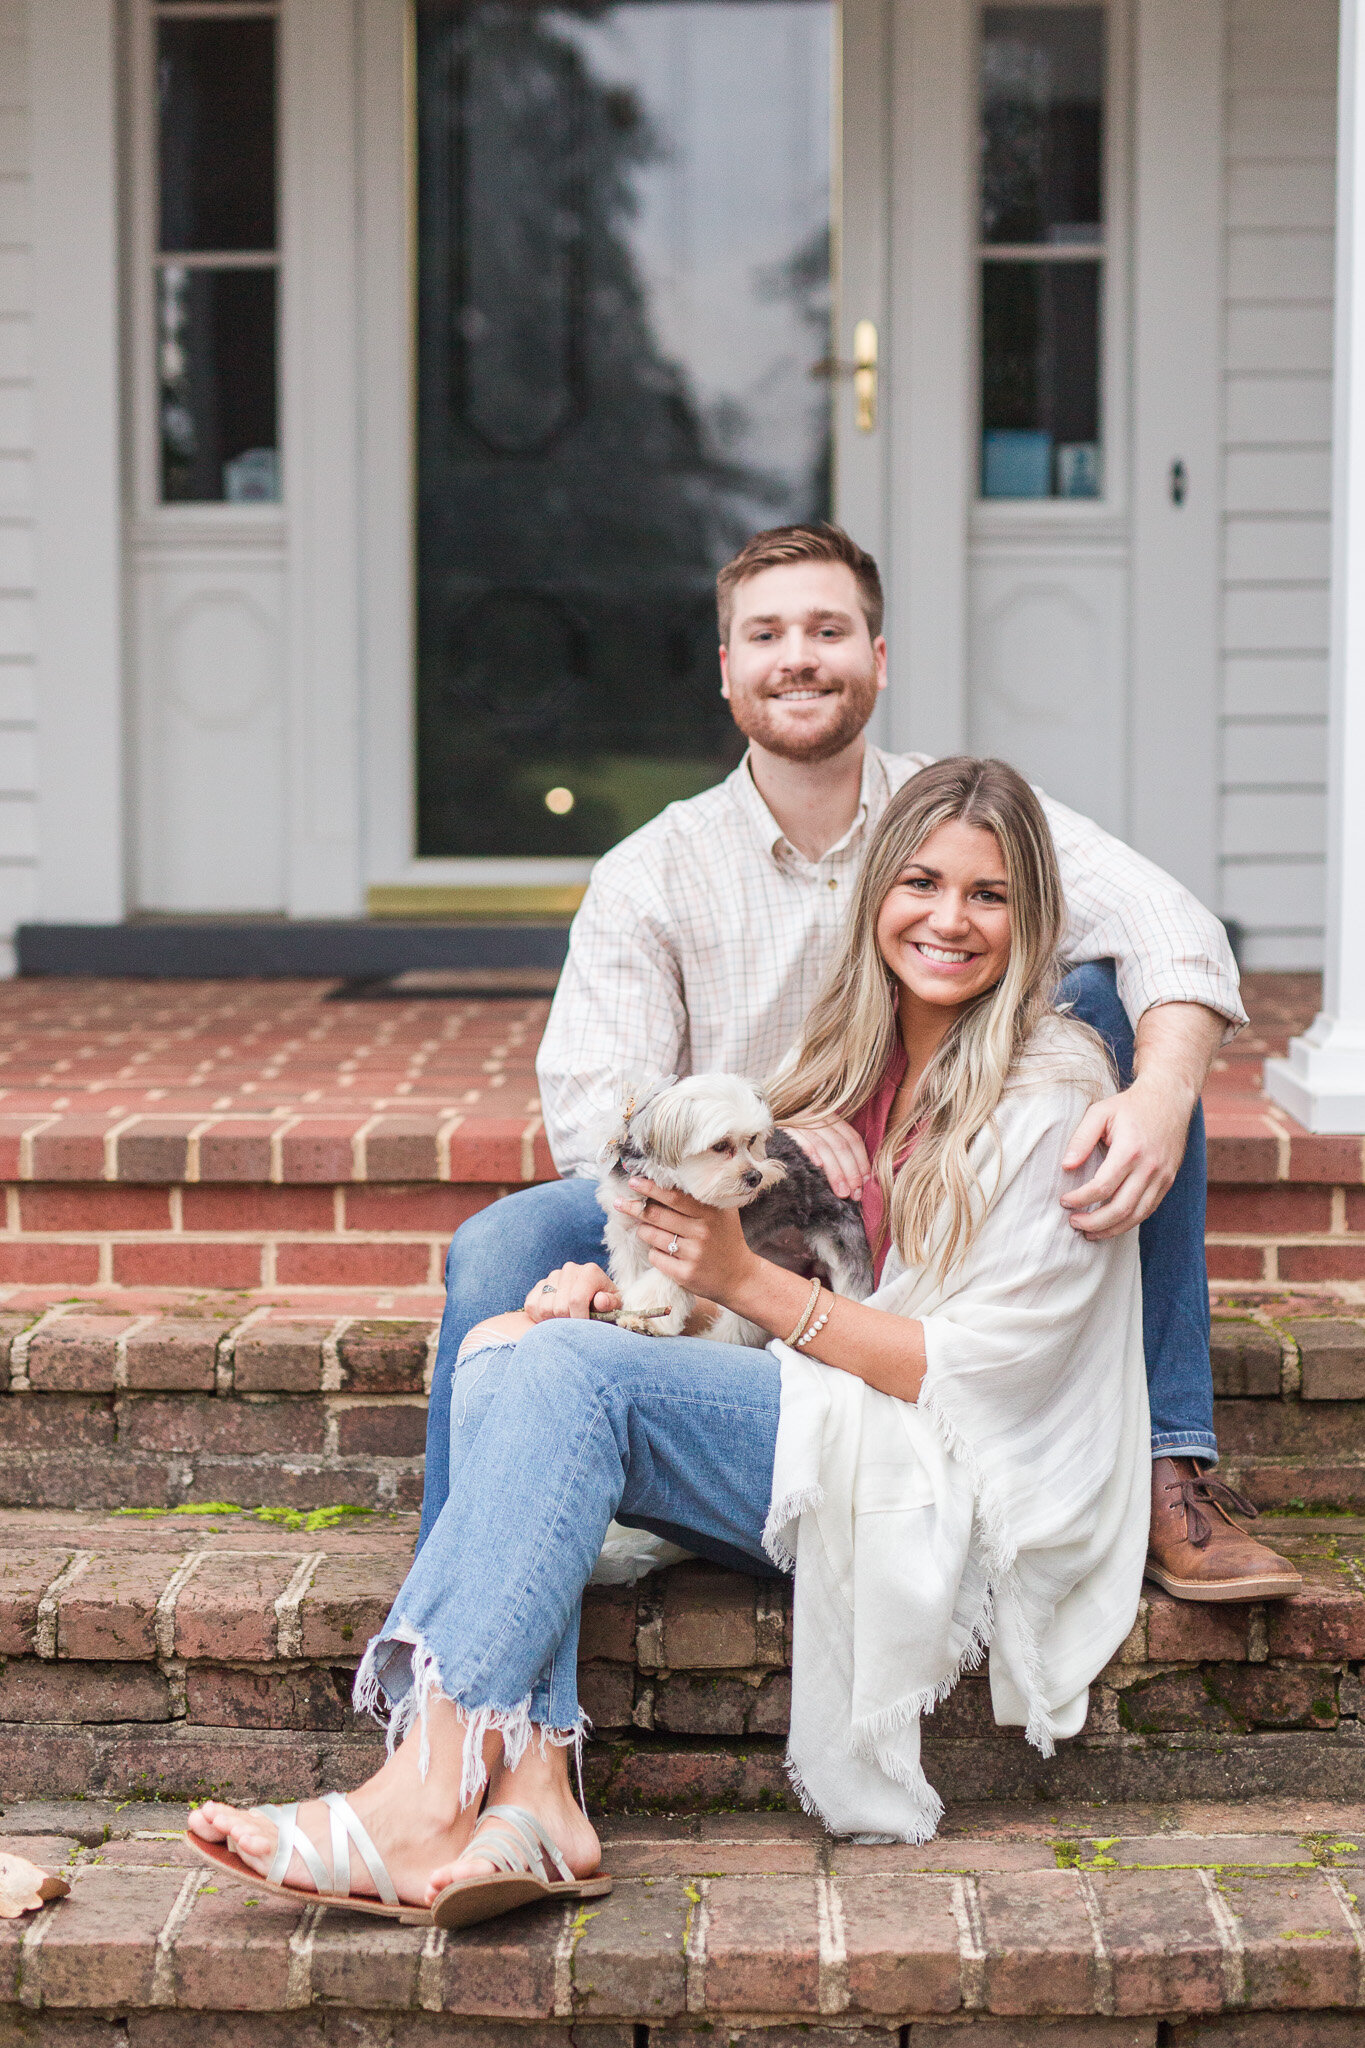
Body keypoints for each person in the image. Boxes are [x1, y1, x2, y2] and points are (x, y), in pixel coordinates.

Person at [187, 757, 1152, 1899]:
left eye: (989, 894)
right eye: (921, 881)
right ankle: (537, 1788)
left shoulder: (1051, 1099)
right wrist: (627, 1305)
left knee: (564, 1378)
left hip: (951, 1471)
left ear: (1033, 914)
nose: (949, 918)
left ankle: (420, 1794)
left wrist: (739, 1281)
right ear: (876, 897)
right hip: (832, 1417)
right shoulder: (857, 1065)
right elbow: (751, 1298)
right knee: (510, 1350)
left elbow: (962, 1374)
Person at [421, 521, 1297, 1603]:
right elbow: (600, 1119)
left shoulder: (956, 812)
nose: (799, 655)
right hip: (741, 1207)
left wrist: (1163, 1091)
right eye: (767, 633)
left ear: (876, 660)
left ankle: (1166, 1459)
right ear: (729, 668)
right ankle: (462, 1583)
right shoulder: (653, 870)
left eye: (828, 629)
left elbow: (1176, 928)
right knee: (506, 1237)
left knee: (1140, 1013)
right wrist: (782, 1135)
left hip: (939, 1195)